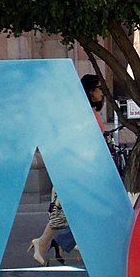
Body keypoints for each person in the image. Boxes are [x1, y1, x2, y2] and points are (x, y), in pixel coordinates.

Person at [26, 74, 106, 265]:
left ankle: (44, 243)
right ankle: (78, 244)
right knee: (85, 209)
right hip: (78, 170)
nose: (102, 92)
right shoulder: (81, 114)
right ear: (89, 91)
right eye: (98, 87)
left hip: (82, 169)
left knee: (67, 213)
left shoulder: (89, 113)